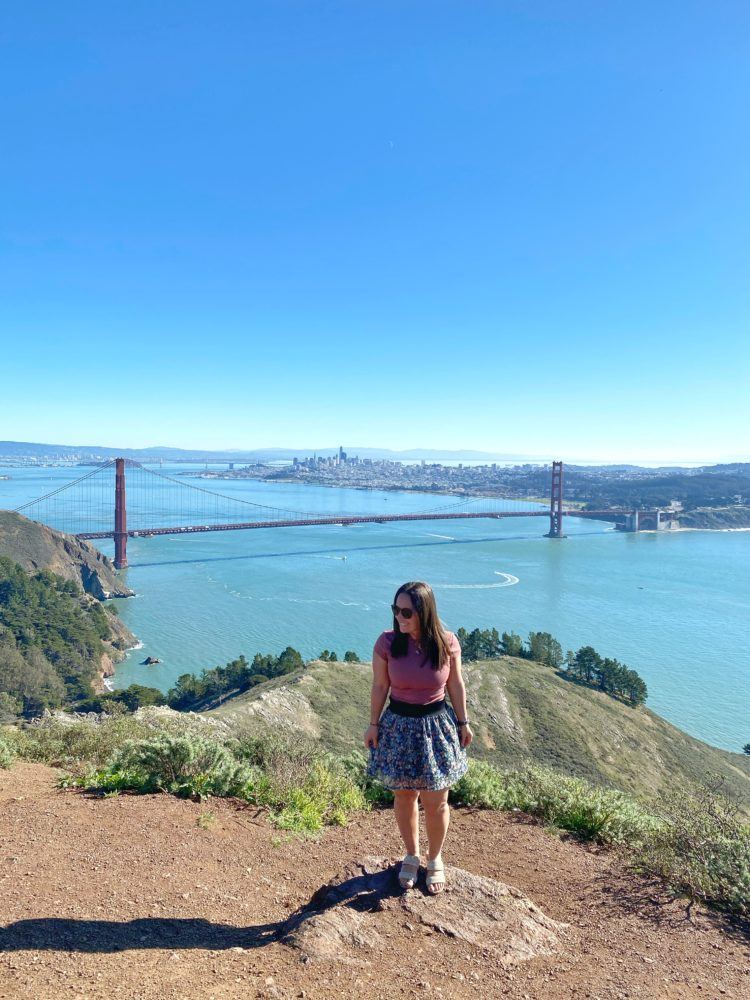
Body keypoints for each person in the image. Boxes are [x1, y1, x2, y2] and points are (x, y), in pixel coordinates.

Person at [364, 580, 473, 894]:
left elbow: (456, 686)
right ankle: (411, 855)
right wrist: (373, 724)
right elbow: (379, 687)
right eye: (396, 610)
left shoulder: (447, 643)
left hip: (436, 725)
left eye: (407, 611)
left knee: (436, 801)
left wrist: (464, 722)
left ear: (425, 612)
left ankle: (435, 858)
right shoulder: (387, 643)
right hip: (398, 725)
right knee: (404, 795)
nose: (399, 617)